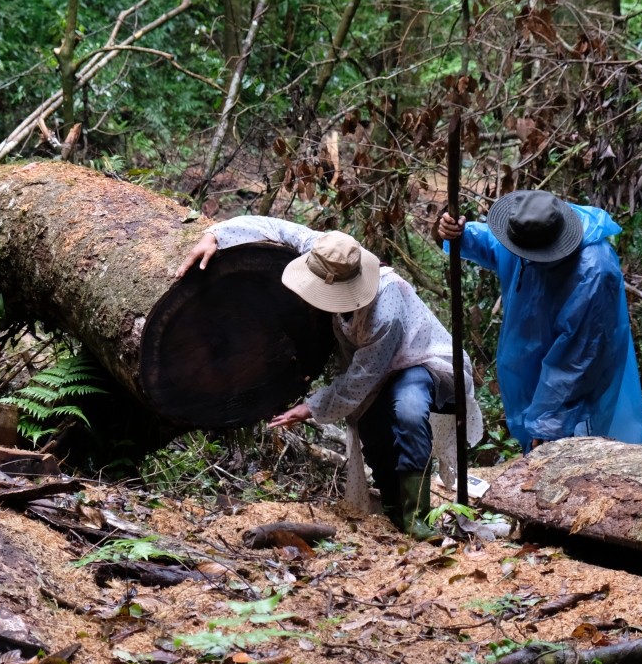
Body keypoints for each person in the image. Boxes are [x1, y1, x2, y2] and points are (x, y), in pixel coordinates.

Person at [177, 217, 481, 539]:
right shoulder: (328, 251)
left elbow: (362, 379)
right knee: (374, 435)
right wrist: (215, 235)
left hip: (418, 360)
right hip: (372, 369)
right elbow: (273, 226)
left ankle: (417, 517)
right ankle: (394, 513)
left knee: (407, 410)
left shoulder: (385, 311)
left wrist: (311, 407)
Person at [436, 190, 642, 453]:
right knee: (538, 455)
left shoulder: (594, 272)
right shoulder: (527, 232)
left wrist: (548, 423)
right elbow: (492, 245)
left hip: (576, 394)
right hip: (532, 371)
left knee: (579, 456)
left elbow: (578, 362)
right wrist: (458, 233)